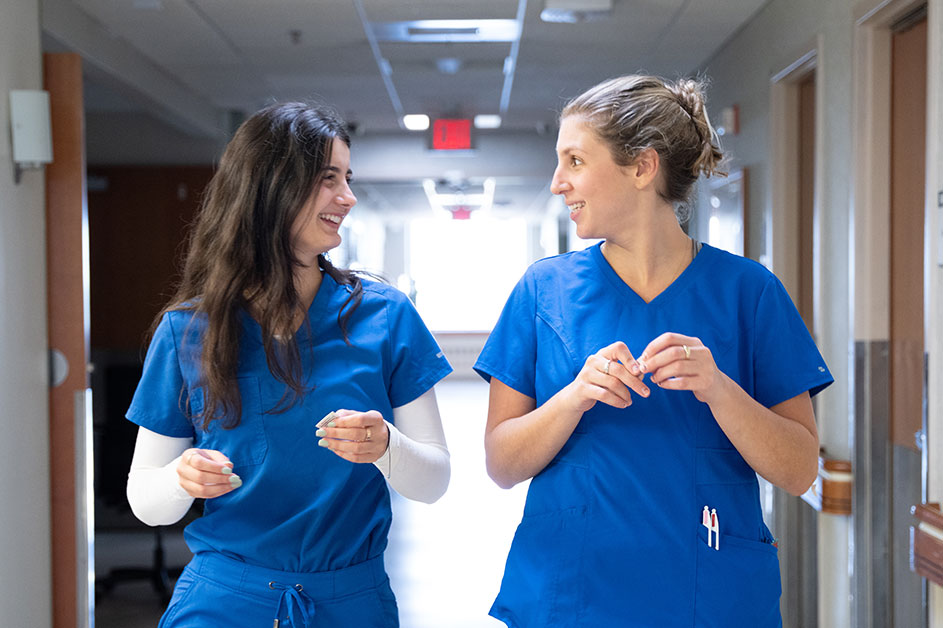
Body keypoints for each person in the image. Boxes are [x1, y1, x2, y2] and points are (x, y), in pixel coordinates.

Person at [474, 75, 833, 627]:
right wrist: (573, 398)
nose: (555, 183)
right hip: (571, 597)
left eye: (574, 161)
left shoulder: (748, 292)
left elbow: (799, 469)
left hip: (708, 596)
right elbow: (501, 463)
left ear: (642, 167)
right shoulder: (542, 292)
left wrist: (717, 388)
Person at [124, 102, 452, 628]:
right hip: (224, 600)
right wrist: (180, 480)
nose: (347, 198)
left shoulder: (385, 316)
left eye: (347, 178)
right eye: (328, 179)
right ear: (270, 187)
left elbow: (433, 480)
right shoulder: (188, 330)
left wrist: (387, 446)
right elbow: (145, 499)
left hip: (352, 600)